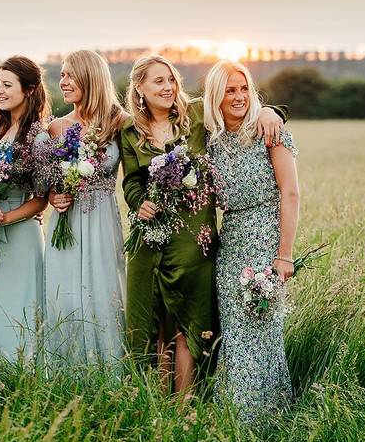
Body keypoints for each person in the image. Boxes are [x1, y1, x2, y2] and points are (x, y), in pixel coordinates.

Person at [121, 54, 286, 395]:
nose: (168, 87)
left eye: (171, 80)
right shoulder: (129, 130)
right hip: (151, 237)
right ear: (139, 88)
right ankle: (157, 403)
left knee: (187, 322)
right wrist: (140, 202)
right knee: (157, 323)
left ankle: (185, 404)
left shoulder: (196, 114)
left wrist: (273, 111)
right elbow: (131, 181)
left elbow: (238, 107)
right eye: (158, 81)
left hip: (194, 237)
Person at [204, 60, 299, 422]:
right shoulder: (212, 142)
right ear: (216, 96)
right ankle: (239, 420)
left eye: (244, 88)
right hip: (230, 249)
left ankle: (272, 417)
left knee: (263, 333)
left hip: (265, 243)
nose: (240, 96)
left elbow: (290, 194)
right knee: (236, 337)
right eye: (230, 90)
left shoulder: (268, 131)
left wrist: (284, 255)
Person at [42, 50, 128, 369]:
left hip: (103, 220)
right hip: (67, 223)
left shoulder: (120, 122)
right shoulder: (56, 127)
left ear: (89, 78)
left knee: (104, 294)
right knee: (65, 297)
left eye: (69, 75)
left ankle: (108, 372)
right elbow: (45, 177)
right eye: (61, 75)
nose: (62, 81)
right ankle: (67, 373)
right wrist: (53, 194)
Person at [0, 55, 50, 361]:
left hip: (19, 235)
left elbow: (42, 197)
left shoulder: (39, 137)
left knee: (15, 307)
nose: (0, 91)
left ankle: (18, 373)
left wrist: (7, 216)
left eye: (7, 85)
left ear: (29, 90)